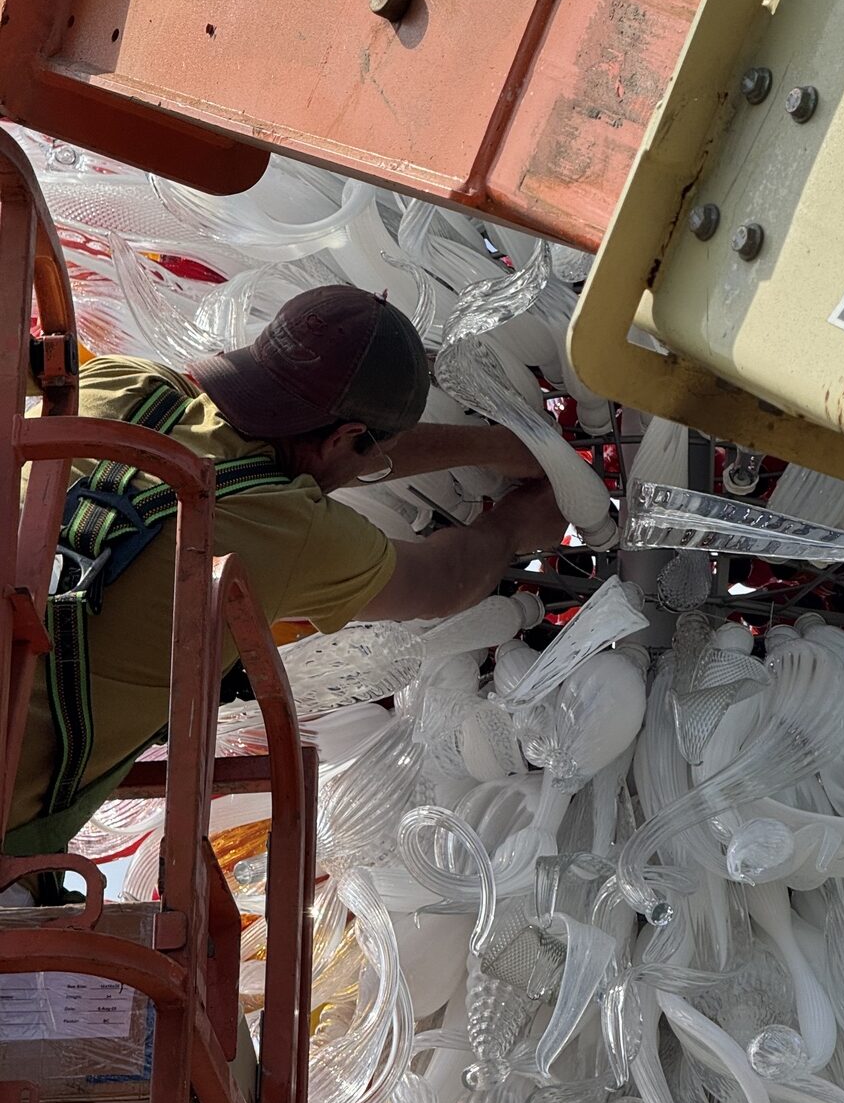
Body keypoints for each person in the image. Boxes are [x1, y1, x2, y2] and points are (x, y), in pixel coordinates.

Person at [5, 285, 565, 873]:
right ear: (345, 440)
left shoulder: (124, 386)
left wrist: (495, 447)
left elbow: (283, 447)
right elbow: (446, 580)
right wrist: (514, 524)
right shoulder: (293, 532)